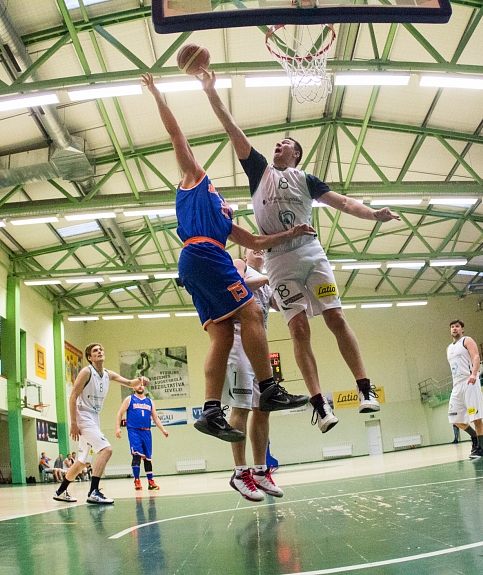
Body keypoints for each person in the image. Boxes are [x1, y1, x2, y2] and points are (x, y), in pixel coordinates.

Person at [202, 70, 399, 432]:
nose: (278, 145)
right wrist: (211, 91)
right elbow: (232, 129)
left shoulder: (306, 179)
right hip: (279, 263)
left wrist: (373, 214)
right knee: (298, 330)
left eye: (285, 143)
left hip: (310, 255)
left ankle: (364, 389)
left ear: (296, 153)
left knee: (335, 317)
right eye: (277, 142)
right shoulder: (259, 170)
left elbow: (342, 202)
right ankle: (320, 404)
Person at [142, 72, 311, 443]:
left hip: (195, 261)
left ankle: (210, 412)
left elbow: (255, 239)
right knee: (250, 312)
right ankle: (269, 387)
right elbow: (176, 135)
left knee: (221, 334)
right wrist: (158, 94)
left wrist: (292, 233)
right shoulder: (196, 178)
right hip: (203, 252)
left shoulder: (224, 216)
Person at [52, 342, 147, 505]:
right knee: (106, 450)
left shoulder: (108, 374)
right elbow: (73, 396)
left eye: (101, 349)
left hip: (94, 417)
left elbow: (130, 383)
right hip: (83, 416)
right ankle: (93, 491)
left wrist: (141, 380)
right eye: (95, 351)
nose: (99, 351)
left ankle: (61, 491)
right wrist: (73, 423)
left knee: (81, 461)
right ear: (90, 357)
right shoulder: (86, 372)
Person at [224, 248, 284, 501]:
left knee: (264, 407)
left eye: (264, 249)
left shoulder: (268, 278)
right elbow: (236, 285)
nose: (259, 251)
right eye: (254, 248)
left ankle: (260, 470)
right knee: (241, 407)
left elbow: (281, 305)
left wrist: (285, 279)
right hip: (238, 341)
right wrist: (269, 277)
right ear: (246, 255)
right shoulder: (241, 266)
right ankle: (240, 471)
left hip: (261, 345)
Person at [115, 379, 169, 491]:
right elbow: (119, 413)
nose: (140, 386)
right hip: (134, 431)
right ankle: (137, 480)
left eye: (141, 385)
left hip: (147, 432)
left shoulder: (150, 402)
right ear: (133, 387)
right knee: (137, 455)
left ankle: (150, 481)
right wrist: (117, 428)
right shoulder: (129, 399)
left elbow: (155, 417)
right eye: (137, 385)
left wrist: (163, 430)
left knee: (148, 458)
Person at [446, 320, 483, 459]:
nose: (454, 329)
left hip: (469, 382)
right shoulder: (449, 348)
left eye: (457, 326)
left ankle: (480, 448)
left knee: (475, 416)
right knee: (454, 418)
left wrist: (474, 374)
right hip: (457, 386)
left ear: (462, 329)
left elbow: (476, 356)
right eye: (452, 327)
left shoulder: (467, 340)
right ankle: (474, 436)